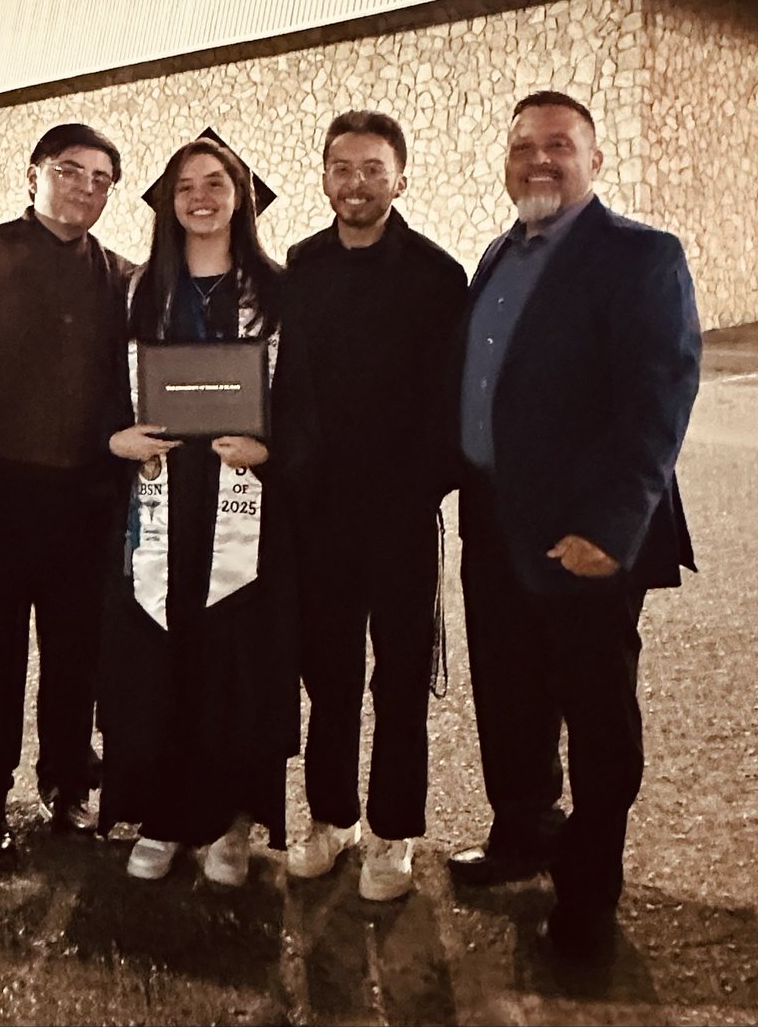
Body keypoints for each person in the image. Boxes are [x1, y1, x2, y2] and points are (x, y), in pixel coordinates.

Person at [447, 90, 700, 959]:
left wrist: (612, 528)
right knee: (508, 697)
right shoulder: (499, 252)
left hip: (585, 538)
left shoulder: (640, 256)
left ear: (595, 161)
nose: (540, 160)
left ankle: (590, 888)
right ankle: (522, 832)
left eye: (560, 146)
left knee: (595, 712)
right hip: (493, 525)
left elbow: (658, 400)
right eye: (523, 147)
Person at [272, 111, 468, 901]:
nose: (357, 183)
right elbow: (290, 389)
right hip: (317, 512)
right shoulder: (301, 265)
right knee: (330, 676)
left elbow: (449, 402)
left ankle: (394, 831)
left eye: (373, 168)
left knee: (399, 678)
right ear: (324, 178)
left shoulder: (435, 273)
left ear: (401, 178)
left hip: (398, 512)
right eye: (342, 168)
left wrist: (420, 487)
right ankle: (331, 818)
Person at [0, 124, 133, 864]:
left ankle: (68, 783)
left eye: (101, 177)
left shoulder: (124, 277)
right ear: (32, 174)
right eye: (70, 170)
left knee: (78, 653)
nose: (85, 187)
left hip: (89, 498)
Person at [99, 137, 296, 886]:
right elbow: (101, 389)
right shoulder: (138, 289)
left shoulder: (277, 291)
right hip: (158, 495)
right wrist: (112, 437)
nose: (201, 196)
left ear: (242, 196)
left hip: (244, 499)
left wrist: (273, 450)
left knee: (238, 659)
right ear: (168, 200)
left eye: (217, 183)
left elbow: (306, 399)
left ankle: (234, 820)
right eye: (186, 186)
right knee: (157, 650)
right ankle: (164, 815)